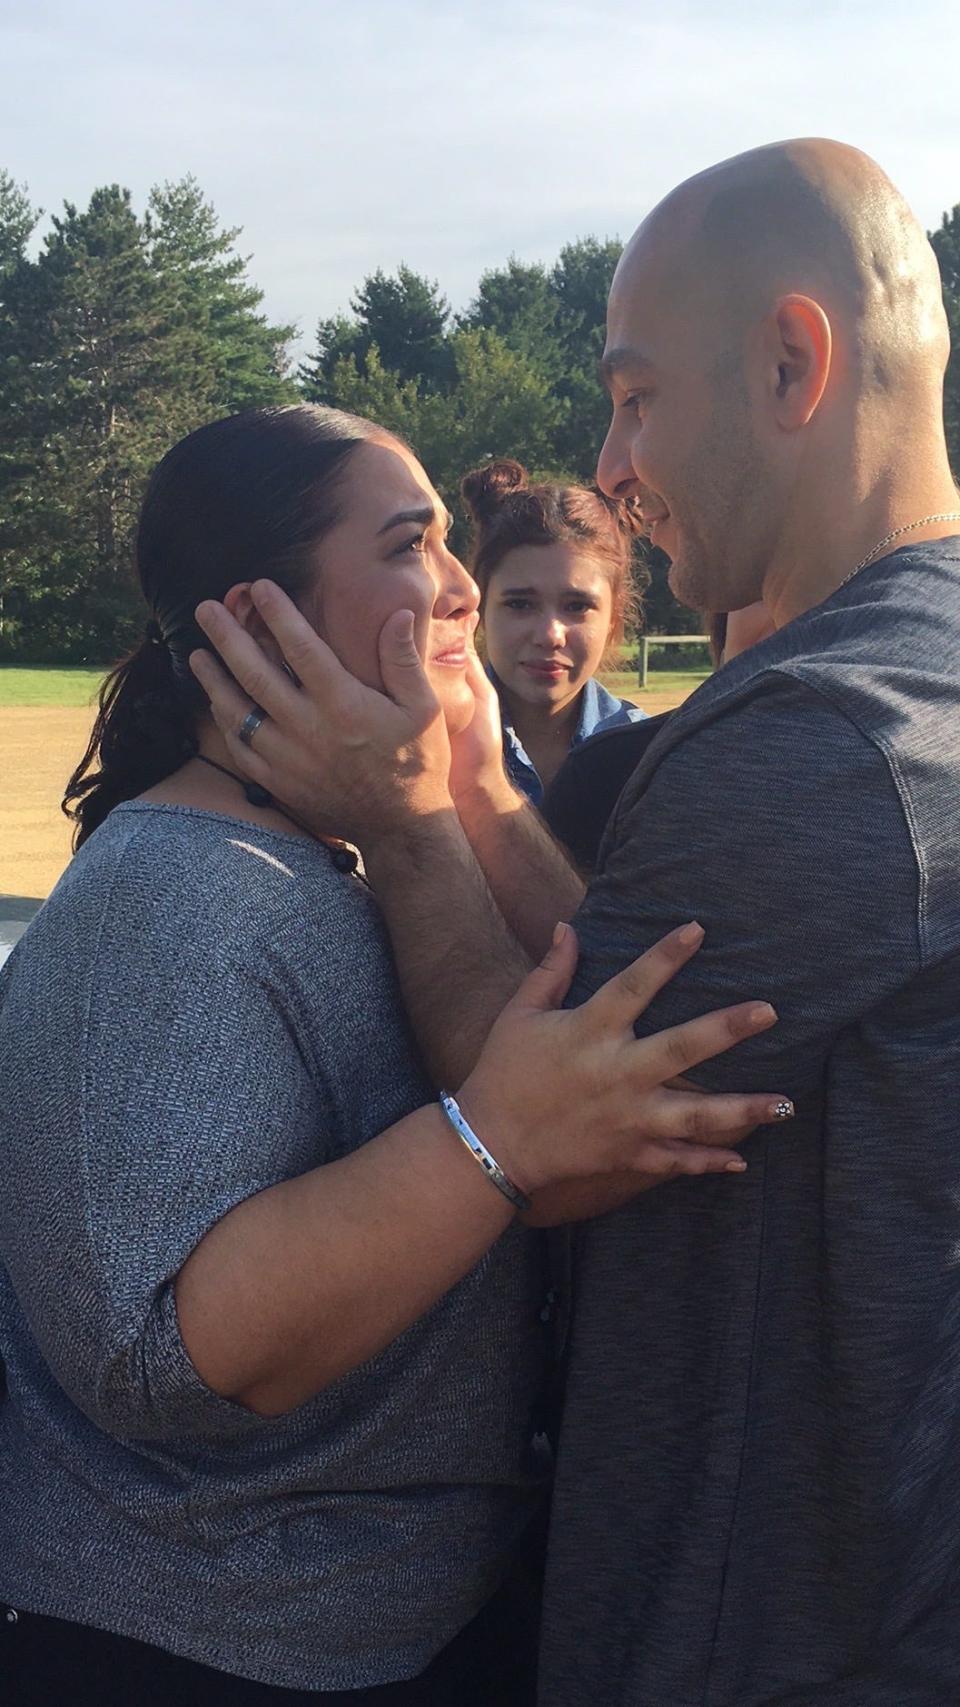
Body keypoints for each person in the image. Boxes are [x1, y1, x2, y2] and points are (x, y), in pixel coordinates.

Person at [188, 135, 960, 1705]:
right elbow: (614, 965)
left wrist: (407, 821)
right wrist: (473, 771)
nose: (608, 461)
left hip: (766, 1633)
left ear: (792, 360)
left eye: (634, 392)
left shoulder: (827, 736)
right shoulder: (905, 675)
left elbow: (557, 1123)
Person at [0, 404, 792, 1707]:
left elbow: (575, 1006)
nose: (464, 587)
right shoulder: (177, 895)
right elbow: (178, 1344)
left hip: (378, 1631)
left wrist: (462, 784)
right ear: (261, 620)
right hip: (197, 1649)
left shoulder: (342, 842)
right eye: (413, 543)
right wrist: (491, 1142)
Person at [460, 458, 647, 804]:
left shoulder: (649, 757)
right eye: (520, 604)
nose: (549, 635)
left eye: (577, 606)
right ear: (480, 609)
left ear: (612, 619)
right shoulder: (433, 745)